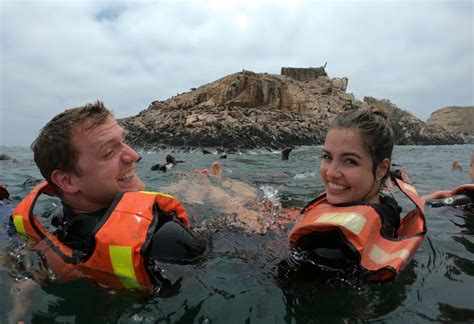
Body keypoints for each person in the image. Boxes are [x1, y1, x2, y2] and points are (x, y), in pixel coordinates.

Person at [10, 101, 206, 292]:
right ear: (67, 181)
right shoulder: (164, 236)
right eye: (109, 151)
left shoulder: (51, 224)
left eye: (124, 141)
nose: (134, 155)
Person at [287, 109, 426, 281]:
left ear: (381, 169)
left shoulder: (331, 244)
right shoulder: (388, 208)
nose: (331, 172)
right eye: (327, 157)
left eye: (350, 161)